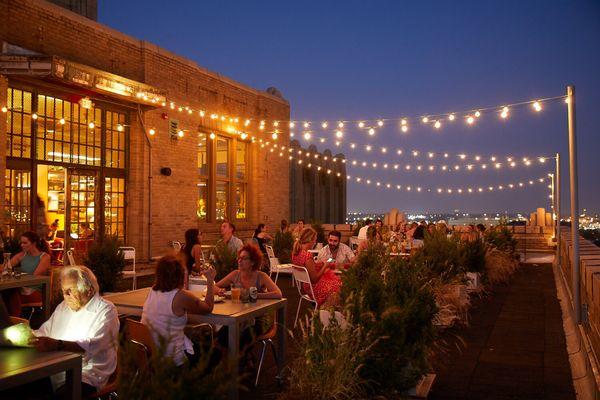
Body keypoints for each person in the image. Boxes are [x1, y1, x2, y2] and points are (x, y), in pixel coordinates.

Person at [32, 265, 119, 396]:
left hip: (88, 374)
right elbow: (44, 331)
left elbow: (92, 345)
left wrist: (57, 344)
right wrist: (29, 336)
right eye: (63, 291)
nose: (66, 296)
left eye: (70, 291)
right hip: (56, 369)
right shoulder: (63, 307)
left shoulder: (106, 310)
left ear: (89, 290)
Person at [142, 255, 216, 366]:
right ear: (179, 274)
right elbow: (208, 307)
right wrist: (210, 280)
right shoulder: (180, 296)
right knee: (212, 351)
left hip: (151, 358)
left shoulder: (152, 291)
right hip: (173, 360)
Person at [215, 244, 282, 362]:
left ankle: (243, 367)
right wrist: (219, 290)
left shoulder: (261, 276)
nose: (239, 261)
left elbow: (278, 294)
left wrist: (254, 295)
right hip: (239, 316)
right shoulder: (235, 275)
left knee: (243, 338)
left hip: (259, 319)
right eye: (239, 258)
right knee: (222, 335)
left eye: (244, 258)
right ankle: (224, 367)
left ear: (252, 262)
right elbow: (214, 286)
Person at [1, 231, 51, 316]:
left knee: (8, 292)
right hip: (20, 286)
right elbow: (4, 267)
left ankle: (11, 319)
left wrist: (16, 275)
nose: (22, 245)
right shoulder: (22, 255)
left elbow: (34, 277)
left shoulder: (44, 257)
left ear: (34, 243)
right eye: (21, 243)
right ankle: (10, 319)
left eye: (25, 243)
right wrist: (6, 262)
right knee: (5, 291)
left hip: (33, 288)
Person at [292, 227, 341, 307]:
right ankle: (329, 312)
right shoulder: (307, 256)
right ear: (310, 239)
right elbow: (315, 279)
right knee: (339, 285)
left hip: (306, 286)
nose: (315, 242)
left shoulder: (296, 252)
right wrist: (325, 265)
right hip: (313, 288)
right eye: (315, 240)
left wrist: (320, 264)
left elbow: (308, 268)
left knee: (335, 281)